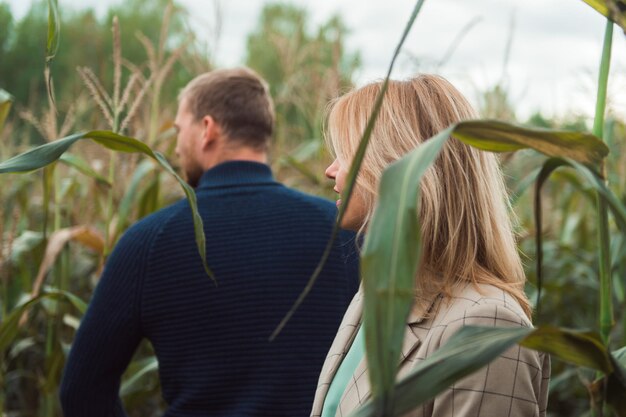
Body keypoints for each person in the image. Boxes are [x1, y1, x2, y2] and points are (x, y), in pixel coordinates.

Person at [60, 67, 360, 417]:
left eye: (178, 130)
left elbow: (81, 391)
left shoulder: (147, 242)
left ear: (206, 129)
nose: (174, 146)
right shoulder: (345, 232)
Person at [310, 74, 550, 417]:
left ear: (399, 165)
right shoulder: (379, 293)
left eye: (346, 153)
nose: (330, 170)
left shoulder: (485, 325)